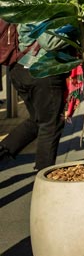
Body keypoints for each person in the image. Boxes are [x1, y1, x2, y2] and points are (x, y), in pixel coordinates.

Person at [0, 22, 67, 171]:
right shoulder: (41, 3)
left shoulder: (26, 3)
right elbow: (49, 41)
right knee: (50, 125)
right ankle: (43, 177)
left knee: (37, 121)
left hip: (22, 69)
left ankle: (3, 151)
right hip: (40, 71)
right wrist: (74, 24)